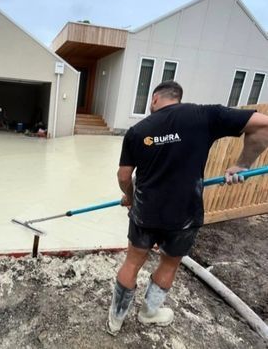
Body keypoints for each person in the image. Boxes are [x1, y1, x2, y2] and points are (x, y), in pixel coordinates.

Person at [107, 80, 268, 336]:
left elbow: (124, 176)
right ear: (178, 98)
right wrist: (243, 165)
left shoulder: (138, 130)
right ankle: (149, 313)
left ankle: (116, 320)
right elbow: (263, 124)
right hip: (184, 215)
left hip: (145, 213)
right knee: (169, 265)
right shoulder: (205, 115)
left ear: (156, 99)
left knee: (132, 262)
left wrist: (128, 197)